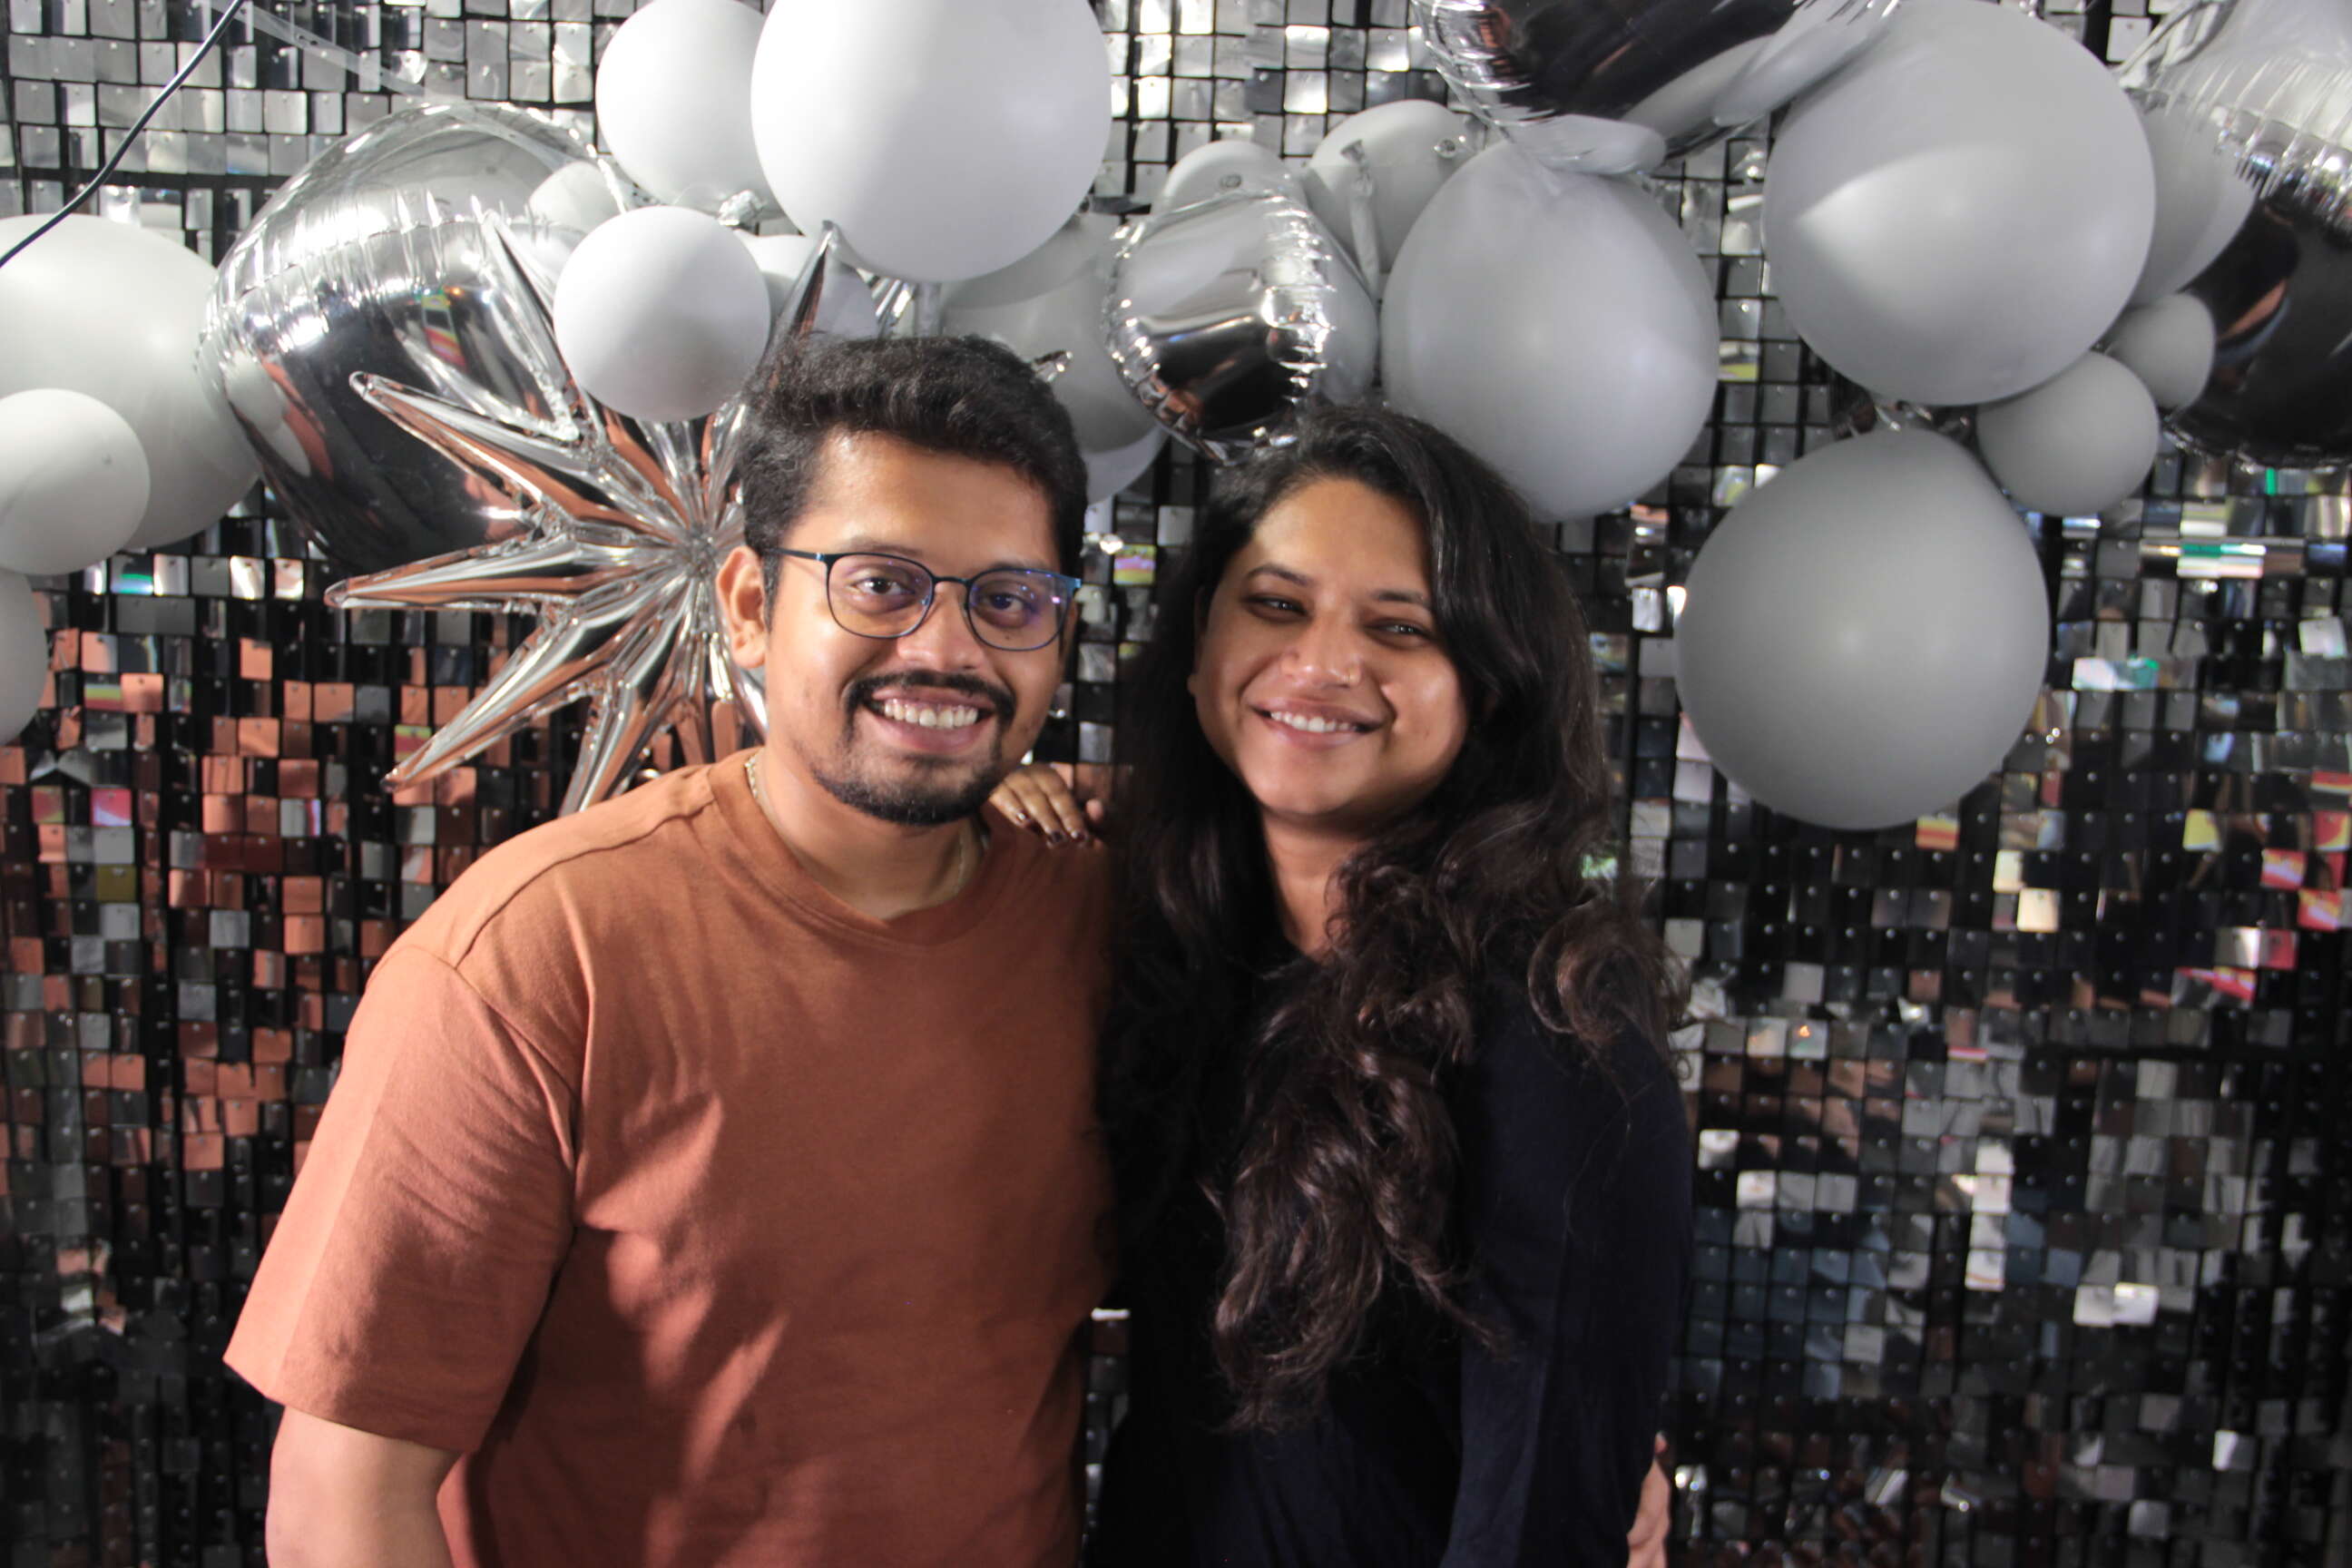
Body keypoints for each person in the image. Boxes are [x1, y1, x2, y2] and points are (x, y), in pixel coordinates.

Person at [226, 335, 1115, 1567]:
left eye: (1008, 600)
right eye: (880, 584)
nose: (946, 649)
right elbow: (343, 1500)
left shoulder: (1101, 926)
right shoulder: (539, 953)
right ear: (750, 608)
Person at [993, 405, 1693, 1566]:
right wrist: (984, 806)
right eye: (1277, 605)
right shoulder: (1176, 941)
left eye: (1400, 626)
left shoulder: (1553, 1018)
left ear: (1487, 687)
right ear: (1203, 642)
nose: (1320, 663)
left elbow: (1542, 1507)